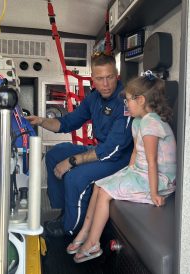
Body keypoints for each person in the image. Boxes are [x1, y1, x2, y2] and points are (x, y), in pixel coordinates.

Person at [66, 71, 177, 263]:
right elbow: (135, 153)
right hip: (140, 172)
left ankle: (93, 243)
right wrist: (126, 173)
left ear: (141, 100)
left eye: (128, 101)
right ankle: (85, 231)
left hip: (159, 180)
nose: (125, 105)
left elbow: (152, 161)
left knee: (105, 193)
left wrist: (155, 194)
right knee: (98, 185)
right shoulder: (138, 121)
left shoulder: (151, 124)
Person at [26, 53, 133, 236]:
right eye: (100, 79)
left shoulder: (124, 102)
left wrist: (73, 161)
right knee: (55, 154)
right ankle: (64, 212)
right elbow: (67, 122)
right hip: (101, 150)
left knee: (75, 177)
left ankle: (70, 228)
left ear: (117, 76)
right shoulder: (94, 98)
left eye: (109, 77)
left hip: (119, 158)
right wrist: (41, 121)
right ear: (93, 80)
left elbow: (112, 149)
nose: (105, 84)